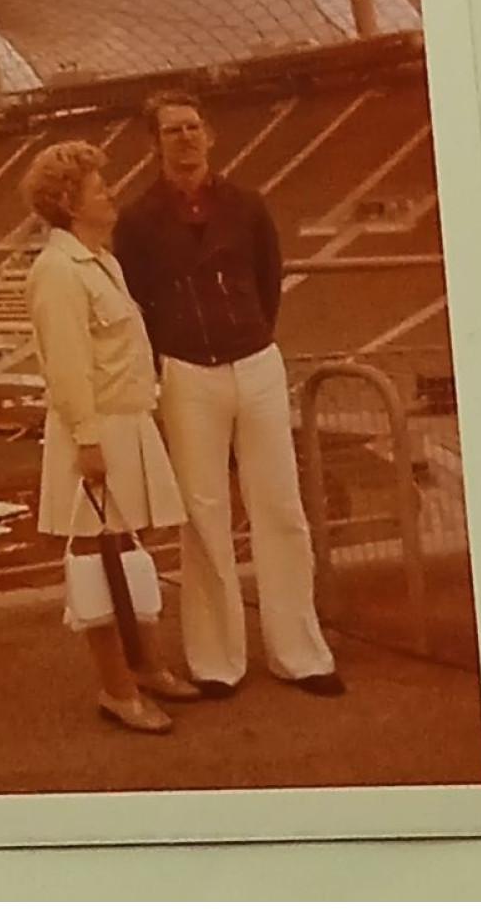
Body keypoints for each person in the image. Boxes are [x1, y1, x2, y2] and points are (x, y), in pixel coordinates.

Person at [113, 90, 344, 698]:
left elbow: (267, 283)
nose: (184, 139)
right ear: (155, 143)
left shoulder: (247, 206)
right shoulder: (136, 222)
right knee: (203, 514)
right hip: (189, 371)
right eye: (171, 131)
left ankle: (301, 653)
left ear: (209, 136)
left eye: (192, 128)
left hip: (256, 362)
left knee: (281, 510)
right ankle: (217, 662)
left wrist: (251, 335)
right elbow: (139, 301)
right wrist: (177, 350)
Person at [20, 139, 200, 735]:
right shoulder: (57, 271)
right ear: (70, 202)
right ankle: (116, 689)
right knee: (96, 565)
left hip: (128, 424)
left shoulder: (103, 261)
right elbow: (67, 367)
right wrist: (88, 442)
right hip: (94, 433)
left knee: (128, 552)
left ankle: (146, 666)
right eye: (99, 187)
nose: (110, 193)